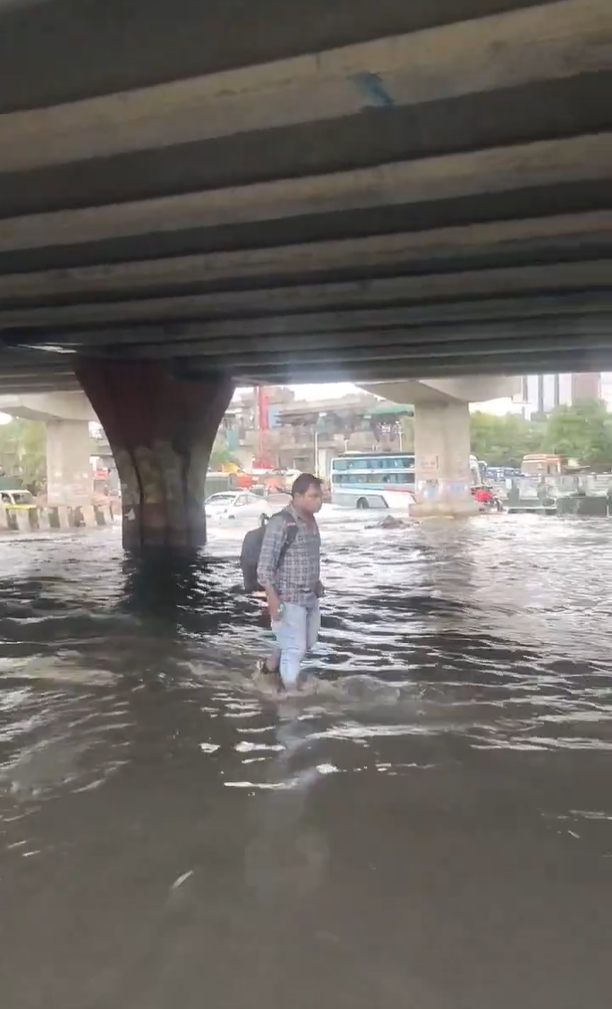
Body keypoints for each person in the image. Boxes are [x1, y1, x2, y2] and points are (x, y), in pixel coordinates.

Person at [255, 473, 323, 691]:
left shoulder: (311, 521)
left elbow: (306, 557)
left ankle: (269, 665)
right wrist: (273, 599)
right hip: (288, 598)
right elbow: (264, 567)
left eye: (320, 495)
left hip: (310, 597)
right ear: (297, 496)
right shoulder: (281, 523)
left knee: (307, 643)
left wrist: (316, 581)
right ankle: (290, 695)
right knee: (295, 649)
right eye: (314, 496)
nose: (319, 500)